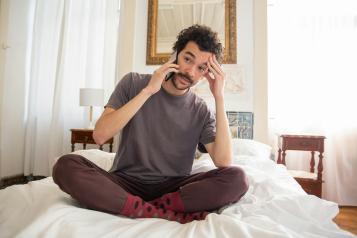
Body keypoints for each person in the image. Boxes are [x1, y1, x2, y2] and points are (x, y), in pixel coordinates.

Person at [53, 24, 249, 224]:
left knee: (237, 178)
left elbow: (223, 162)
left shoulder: (201, 110)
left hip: (174, 189)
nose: (190, 71)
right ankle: (157, 212)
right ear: (175, 55)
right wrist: (148, 91)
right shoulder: (133, 83)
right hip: (125, 182)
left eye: (200, 68)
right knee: (65, 166)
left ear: (206, 74)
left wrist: (219, 97)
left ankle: (141, 207)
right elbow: (100, 135)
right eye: (187, 59)